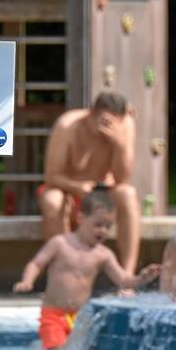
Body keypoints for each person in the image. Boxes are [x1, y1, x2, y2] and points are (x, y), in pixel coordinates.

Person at [13, 187, 160, 349]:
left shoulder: (103, 254)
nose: (103, 230)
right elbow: (36, 263)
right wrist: (27, 280)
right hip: (54, 314)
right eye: (98, 224)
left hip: (81, 317)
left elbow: (123, 280)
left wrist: (142, 278)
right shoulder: (60, 244)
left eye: (108, 226)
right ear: (81, 218)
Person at [38, 92, 141, 276]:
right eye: (103, 121)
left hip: (102, 191)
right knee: (52, 200)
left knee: (128, 194)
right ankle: (64, 273)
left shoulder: (126, 125)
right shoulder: (68, 125)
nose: (106, 128)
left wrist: (119, 144)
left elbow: (123, 179)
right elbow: (52, 176)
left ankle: (127, 275)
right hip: (69, 189)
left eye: (112, 123)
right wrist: (76, 187)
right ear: (91, 113)